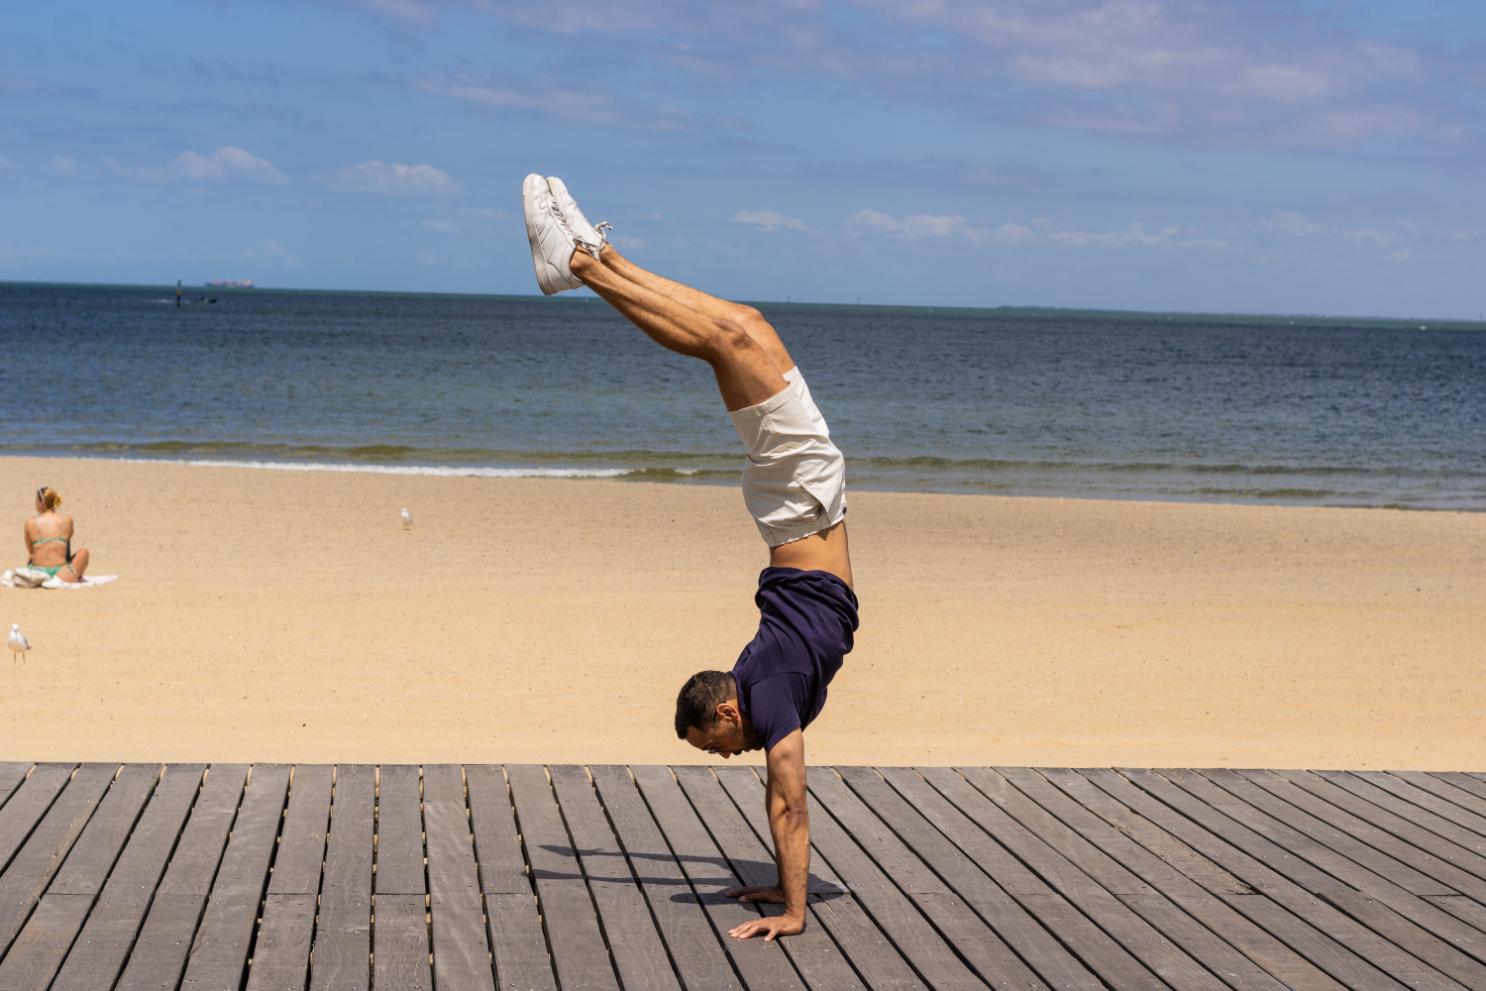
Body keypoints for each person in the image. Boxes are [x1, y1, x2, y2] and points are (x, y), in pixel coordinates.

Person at [523, 174, 859, 941]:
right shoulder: (768, 694)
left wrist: (789, 899)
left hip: (800, 505)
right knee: (736, 330)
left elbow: (785, 799)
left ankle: (585, 262)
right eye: (728, 749)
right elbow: (790, 802)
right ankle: (587, 257)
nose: (737, 754)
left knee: (732, 336)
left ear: (728, 707)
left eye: (722, 744)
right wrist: (788, 897)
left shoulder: (766, 692)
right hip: (799, 506)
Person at [24, 486, 91, 582]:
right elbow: (68, 538)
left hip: (36, 572)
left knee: (34, 553)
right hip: (60, 574)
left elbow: (31, 551)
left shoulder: (29, 522)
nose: (35, 503)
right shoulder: (67, 520)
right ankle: (72, 576)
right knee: (84, 552)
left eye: (36, 501)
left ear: (42, 503)